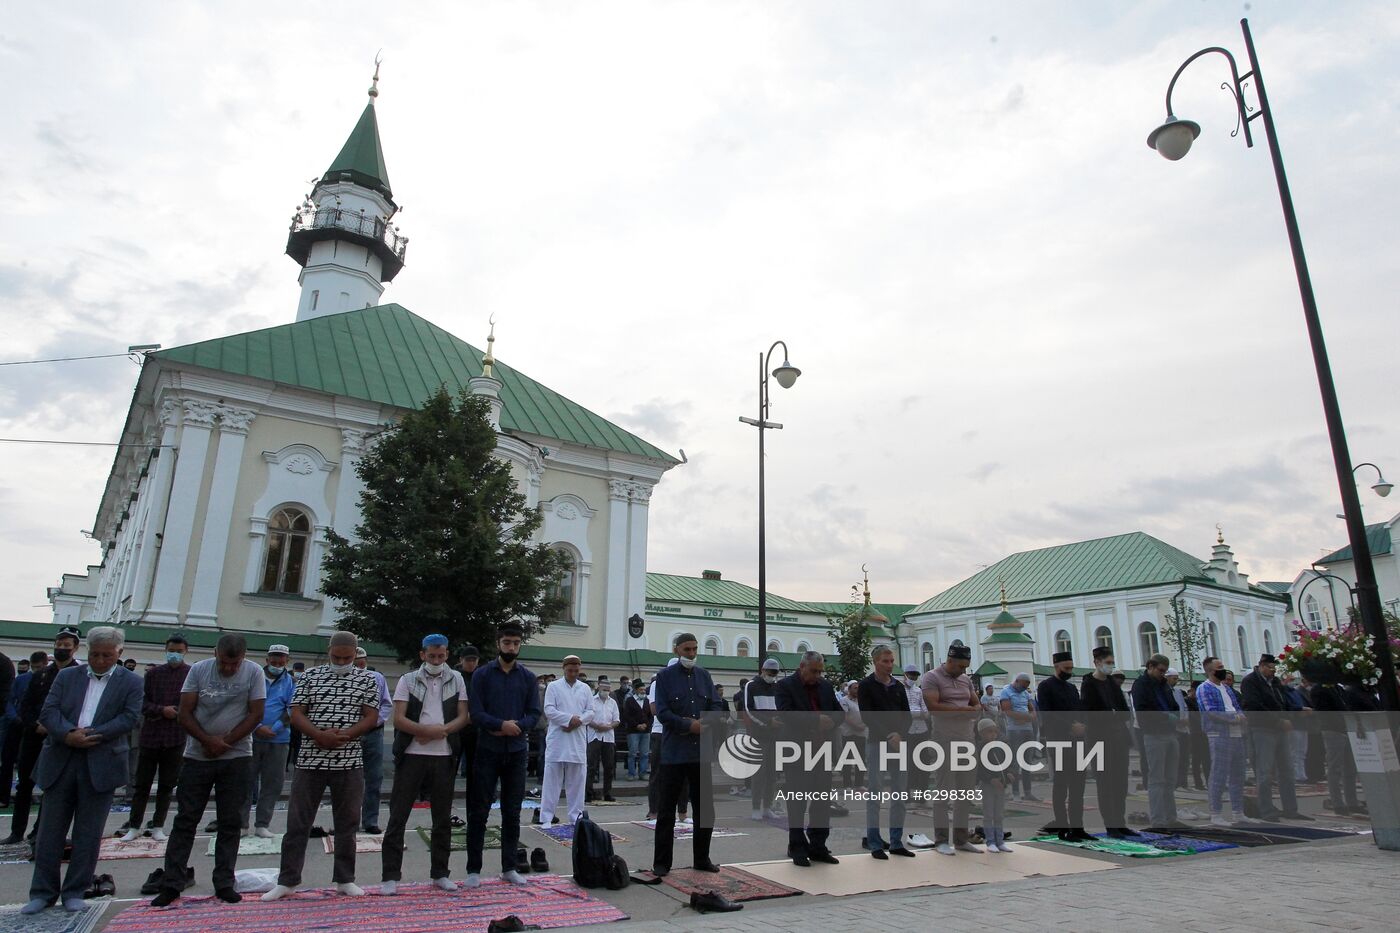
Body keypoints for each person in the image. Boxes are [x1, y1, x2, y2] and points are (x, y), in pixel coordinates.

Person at [21, 627, 142, 915]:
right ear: (87, 653)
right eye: (95, 654)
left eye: (107, 655)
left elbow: (130, 717)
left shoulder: (132, 682)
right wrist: (69, 734)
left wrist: (93, 735)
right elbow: (49, 712)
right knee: (50, 833)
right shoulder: (66, 676)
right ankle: (42, 893)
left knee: (88, 835)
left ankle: (75, 891)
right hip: (62, 758)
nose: (100, 660)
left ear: (119, 653)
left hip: (101, 761)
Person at [262, 632, 381, 901]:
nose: (341, 662)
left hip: (349, 761)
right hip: (310, 760)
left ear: (356, 654)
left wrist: (345, 735)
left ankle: (345, 879)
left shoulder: (367, 679)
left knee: (347, 822)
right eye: (336, 657)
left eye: (347, 658)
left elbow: (371, 716)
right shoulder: (310, 676)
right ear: (329, 651)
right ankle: (288, 881)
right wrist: (319, 735)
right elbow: (296, 712)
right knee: (297, 822)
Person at [150, 634, 265, 907]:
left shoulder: (254, 672)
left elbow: (256, 714)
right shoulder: (199, 671)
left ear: (243, 658)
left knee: (231, 822)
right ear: (215, 653)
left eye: (234, 664)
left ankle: (224, 882)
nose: (228, 668)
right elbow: (185, 712)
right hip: (197, 757)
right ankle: (172, 884)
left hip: (237, 757)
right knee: (186, 820)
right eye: (224, 662)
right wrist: (207, 740)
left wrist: (226, 742)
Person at [381, 634, 469, 895]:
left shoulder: (456, 679)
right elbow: (398, 718)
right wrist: (423, 730)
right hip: (412, 754)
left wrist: (440, 731)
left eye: (441, 656)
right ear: (423, 655)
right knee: (398, 816)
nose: (436, 660)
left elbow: (463, 716)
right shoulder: (408, 680)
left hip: (444, 756)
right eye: (432, 656)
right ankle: (390, 876)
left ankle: (440, 873)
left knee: (442, 819)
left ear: (447, 654)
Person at [465, 623, 540, 886]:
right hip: (488, 750)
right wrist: (500, 725)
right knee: (479, 811)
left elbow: (534, 713)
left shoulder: (528, 678)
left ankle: (509, 866)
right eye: (507, 642)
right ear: (498, 643)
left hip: (517, 752)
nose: (511, 647)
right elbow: (476, 713)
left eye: (516, 643)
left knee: (512, 811)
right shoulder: (483, 675)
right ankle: (473, 870)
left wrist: (517, 726)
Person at [651, 633, 722, 877]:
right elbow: (662, 712)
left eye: (694, 649)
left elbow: (715, 704)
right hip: (675, 752)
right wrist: (686, 724)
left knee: (704, 809)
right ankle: (662, 862)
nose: (691, 654)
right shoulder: (664, 677)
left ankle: (702, 859)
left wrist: (707, 720)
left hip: (700, 752)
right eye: (686, 649)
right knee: (667, 809)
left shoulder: (704, 675)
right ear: (676, 650)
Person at [6, 627, 84, 845]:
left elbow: (76, 708)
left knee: (51, 786)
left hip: (58, 739)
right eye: (59, 645)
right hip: (34, 735)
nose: (61, 649)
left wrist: (55, 728)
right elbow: (26, 705)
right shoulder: (40, 675)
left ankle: (39, 832)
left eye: (66, 646)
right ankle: (16, 831)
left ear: (75, 648)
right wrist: (34, 724)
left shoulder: (79, 675)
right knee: (24, 785)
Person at [774, 650, 842, 867]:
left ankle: (818, 846)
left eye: (820, 671)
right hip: (797, 751)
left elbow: (838, 712)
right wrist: (815, 721)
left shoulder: (825, 686)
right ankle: (797, 846)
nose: (817, 675)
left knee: (821, 802)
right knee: (797, 802)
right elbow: (786, 714)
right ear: (802, 667)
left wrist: (830, 721)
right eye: (814, 671)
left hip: (822, 752)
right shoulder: (786, 686)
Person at [122, 635, 191, 843]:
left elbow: (193, 703)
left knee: (167, 785)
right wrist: (162, 710)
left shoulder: (190, 674)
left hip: (176, 736)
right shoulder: (153, 674)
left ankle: (158, 825)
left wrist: (177, 712)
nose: (175, 654)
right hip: (151, 735)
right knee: (141, 784)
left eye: (179, 651)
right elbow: (142, 703)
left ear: (185, 651)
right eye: (172, 650)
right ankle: (134, 825)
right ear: (165, 649)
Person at [922, 642, 982, 855]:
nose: (964, 671)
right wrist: (962, 711)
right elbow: (934, 707)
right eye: (961, 667)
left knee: (965, 792)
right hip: (944, 740)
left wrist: (965, 710)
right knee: (943, 790)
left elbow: (977, 705)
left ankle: (961, 838)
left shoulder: (965, 679)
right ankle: (941, 840)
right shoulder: (932, 677)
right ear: (950, 661)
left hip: (967, 740)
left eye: (966, 667)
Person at [858, 645, 914, 859]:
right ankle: (874, 843)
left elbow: (906, 716)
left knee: (899, 794)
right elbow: (868, 717)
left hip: (899, 744)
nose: (889, 665)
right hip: (877, 743)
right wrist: (889, 735)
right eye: (885, 661)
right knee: (875, 794)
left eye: (891, 661)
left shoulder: (898, 686)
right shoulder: (866, 686)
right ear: (875, 662)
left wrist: (900, 735)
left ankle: (896, 841)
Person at [1241, 653, 1310, 822]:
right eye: (1270, 668)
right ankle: (1266, 810)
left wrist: (1297, 710)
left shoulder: (1276, 683)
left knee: (1287, 770)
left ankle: (1291, 810)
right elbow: (1255, 706)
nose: (1273, 671)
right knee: (1264, 772)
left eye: (1274, 668)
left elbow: (1283, 702)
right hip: (1262, 729)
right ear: (1262, 666)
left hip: (1280, 730)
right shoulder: (1250, 681)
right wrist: (1278, 720)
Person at [1080, 646, 1137, 838]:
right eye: (1107, 663)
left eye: (1112, 663)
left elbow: (1124, 712)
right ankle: (1110, 825)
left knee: (1120, 782)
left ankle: (1120, 822)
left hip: (1119, 738)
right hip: (1099, 740)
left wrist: (1114, 714)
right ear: (1097, 663)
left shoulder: (1112, 683)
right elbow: (1090, 714)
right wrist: (1111, 715)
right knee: (1106, 783)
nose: (1110, 666)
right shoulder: (1089, 684)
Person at [1036, 651, 1091, 842]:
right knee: (1061, 784)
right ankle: (1062, 825)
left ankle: (1078, 827)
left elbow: (1080, 709)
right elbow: (1047, 714)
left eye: (1071, 668)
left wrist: (1082, 725)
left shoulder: (1071, 688)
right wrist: (1070, 726)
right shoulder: (1045, 687)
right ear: (1056, 666)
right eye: (1066, 668)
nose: (1069, 671)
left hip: (1078, 742)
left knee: (1078, 785)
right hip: (1058, 740)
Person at [245, 645, 295, 837]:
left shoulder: (290, 681)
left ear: (287, 661)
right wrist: (257, 727)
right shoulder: (254, 677)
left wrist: (274, 728)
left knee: (272, 783)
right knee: (246, 782)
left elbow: (292, 708)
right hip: (251, 736)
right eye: (273, 660)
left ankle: (262, 824)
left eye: (281, 661)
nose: (277, 664)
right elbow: (246, 704)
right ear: (267, 660)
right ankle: (242, 824)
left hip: (278, 739)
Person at [539, 656, 593, 827]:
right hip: (558, 739)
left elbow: (591, 711)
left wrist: (579, 721)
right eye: (570, 670)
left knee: (577, 782)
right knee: (551, 781)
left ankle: (576, 817)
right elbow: (549, 710)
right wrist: (568, 719)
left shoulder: (585, 688)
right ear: (564, 669)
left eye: (576, 670)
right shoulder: (553, 687)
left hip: (577, 740)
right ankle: (546, 817)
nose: (573, 673)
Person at [1130, 654, 1182, 829]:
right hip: (1154, 734)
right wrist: (1167, 717)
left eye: (1165, 671)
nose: (1162, 674)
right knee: (1157, 779)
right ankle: (1158, 820)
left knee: (1170, 779)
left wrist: (1174, 716)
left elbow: (1174, 705)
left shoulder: (1163, 685)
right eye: (1160, 671)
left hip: (1170, 734)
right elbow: (1144, 712)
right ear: (1150, 666)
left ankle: (1171, 818)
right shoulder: (1141, 685)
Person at [1198, 665, 1248, 825]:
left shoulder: (1226, 688)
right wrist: (1234, 718)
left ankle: (1238, 812)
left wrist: (1240, 716)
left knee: (1238, 773)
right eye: (1219, 667)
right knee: (1219, 773)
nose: (1223, 669)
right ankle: (1216, 813)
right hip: (1218, 733)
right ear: (1210, 670)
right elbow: (1210, 711)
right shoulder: (1204, 688)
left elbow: (1237, 706)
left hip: (1236, 733)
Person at [353, 647, 392, 835]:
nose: (360, 664)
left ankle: (370, 820)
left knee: (374, 778)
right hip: (350, 733)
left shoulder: (378, 678)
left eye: (362, 660)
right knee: (349, 779)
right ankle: (348, 820)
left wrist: (371, 723)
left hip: (373, 732)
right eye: (356, 660)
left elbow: (386, 704)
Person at [1, 651, 45, 809]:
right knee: (7, 761)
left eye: (38, 667)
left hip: (36, 728)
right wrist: (14, 718)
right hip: (16, 725)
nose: (35, 670)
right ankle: (3, 797)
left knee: (29, 765)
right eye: (33, 668)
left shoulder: (49, 679)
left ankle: (34, 794)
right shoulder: (21, 680)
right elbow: (10, 700)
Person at [741, 659, 782, 821]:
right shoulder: (751, 686)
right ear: (762, 670)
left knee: (772, 773)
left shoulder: (778, 687)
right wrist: (767, 722)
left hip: (775, 735)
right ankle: (756, 807)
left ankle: (767, 806)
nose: (771, 676)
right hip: (758, 735)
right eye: (769, 673)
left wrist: (779, 721)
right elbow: (749, 709)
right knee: (759, 772)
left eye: (774, 673)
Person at [976, 717, 1016, 852]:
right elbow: (979, 769)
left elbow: (1008, 762)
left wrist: (1010, 773)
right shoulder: (979, 748)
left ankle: (1000, 841)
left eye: (994, 732)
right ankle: (990, 841)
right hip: (988, 786)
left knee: (999, 814)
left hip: (1001, 785)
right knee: (989, 814)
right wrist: (990, 779)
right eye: (989, 732)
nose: (992, 735)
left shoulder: (1000, 747)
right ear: (981, 733)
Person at [998, 673, 1039, 802]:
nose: (1023, 688)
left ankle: (1028, 792)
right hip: (1014, 730)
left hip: (1028, 729)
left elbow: (1032, 709)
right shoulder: (1006, 692)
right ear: (1016, 681)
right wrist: (1027, 717)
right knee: (1015, 763)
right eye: (1022, 686)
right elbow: (1008, 712)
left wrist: (1029, 716)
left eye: (1026, 686)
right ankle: (1015, 792)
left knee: (1027, 762)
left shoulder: (1025, 693)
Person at [585, 676, 620, 802]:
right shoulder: (592, 701)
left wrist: (609, 726)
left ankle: (607, 793)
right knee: (591, 766)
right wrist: (597, 726)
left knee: (609, 766)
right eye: (604, 689)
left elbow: (617, 720)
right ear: (599, 688)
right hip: (594, 735)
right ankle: (587, 793)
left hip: (609, 737)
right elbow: (587, 718)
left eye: (608, 689)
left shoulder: (612, 702)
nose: (606, 691)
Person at [456, 645, 480, 798]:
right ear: (461, 660)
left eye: (474, 660)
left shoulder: (481, 676)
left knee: (475, 769)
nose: (471, 663)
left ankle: (474, 802)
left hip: (475, 727)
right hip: (456, 727)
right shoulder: (454, 676)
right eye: (468, 660)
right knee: (450, 767)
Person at [1164, 669, 1192, 789]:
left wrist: (1185, 719)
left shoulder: (1178, 691)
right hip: (1173, 728)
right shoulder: (1163, 691)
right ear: (1167, 678)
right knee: (1174, 757)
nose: (1176, 681)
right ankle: (1174, 781)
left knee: (1184, 757)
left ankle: (1183, 781)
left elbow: (1184, 707)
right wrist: (1177, 721)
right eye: (1174, 678)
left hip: (1183, 728)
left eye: (1177, 678)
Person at [621, 676, 652, 780]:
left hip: (646, 731)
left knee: (644, 753)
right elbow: (627, 716)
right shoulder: (630, 701)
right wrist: (637, 725)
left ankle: (642, 773)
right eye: (641, 690)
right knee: (632, 753)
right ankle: (631, 773)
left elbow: (650, 716)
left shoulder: (647, 701)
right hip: (633, 731)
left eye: (644, 689)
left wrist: (646, 725)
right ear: (636, 690)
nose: (643, 691)